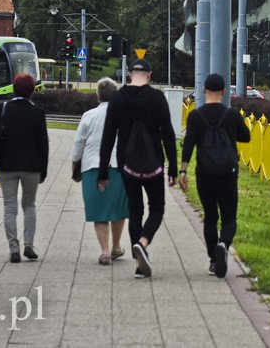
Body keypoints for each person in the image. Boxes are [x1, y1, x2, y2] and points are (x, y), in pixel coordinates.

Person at [98, 59, 179, 279]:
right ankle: (143, 243)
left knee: (135, 211)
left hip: (128, 165)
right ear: (149, 75)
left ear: (129, 73)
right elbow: (168, 134)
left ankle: (138, 264)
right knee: (157, 209)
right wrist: (173, 167)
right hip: (153, 165)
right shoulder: (157, 98)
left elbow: (108, 136)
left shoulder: (116, 99)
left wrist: (103, 171)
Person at [179, 73, 251, 278]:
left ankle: (213, 261)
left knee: (210, 217)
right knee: (229, 219)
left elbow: (189, 145)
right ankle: (223, 244)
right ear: (224, 92)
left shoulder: (195, 116)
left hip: (205, 173)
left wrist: (183, 170)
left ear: (203, 91)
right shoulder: (232, 114)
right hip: (228, 173)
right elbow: (246, 137)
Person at [0, 73, 49, 263]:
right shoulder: (37, 112)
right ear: (32, 91)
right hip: (31, 165)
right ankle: (29, 245)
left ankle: (13, 248)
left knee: (9, 206)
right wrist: (43, 170)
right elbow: (43, 144)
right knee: (29, 204)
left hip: (6, 164)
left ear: (14, 89)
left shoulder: (2, 109)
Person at [70, 77, 129, 265]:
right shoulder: (124, 115)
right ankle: (116, 247)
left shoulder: (88, 116)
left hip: (92, 168)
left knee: (99, 210)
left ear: (98, 96)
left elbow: (79, 143)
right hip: (119, 167)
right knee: (118, 209)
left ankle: (104, 250)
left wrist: (75, 166)